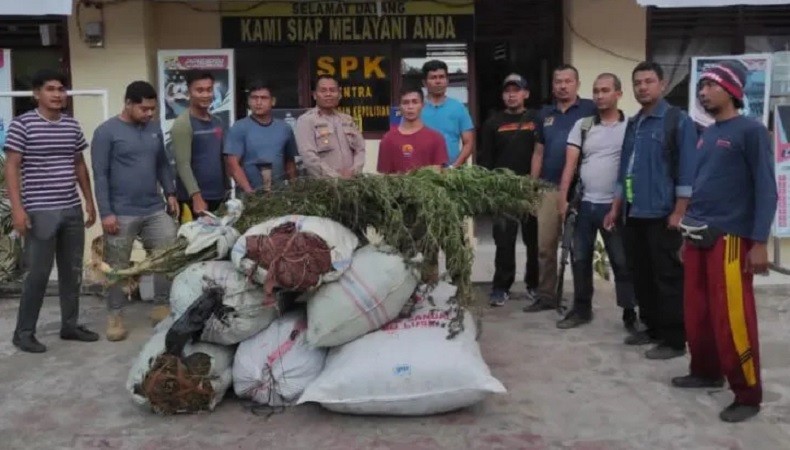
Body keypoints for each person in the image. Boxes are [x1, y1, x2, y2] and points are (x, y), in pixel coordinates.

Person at [671, 63, 777, 423]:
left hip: (731, 238)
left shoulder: (751, 131)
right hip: (699, 235)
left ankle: (747, 393)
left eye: (710, 86)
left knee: (733, 316)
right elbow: (701, 187)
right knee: (697, 313)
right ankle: (705, 370)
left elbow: (766, 187)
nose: (702, 93)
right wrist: (687, 234)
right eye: (700, 87)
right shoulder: (707, 134)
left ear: (731, 90)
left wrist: (759, 241)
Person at [605, 61, 699, 360]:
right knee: (641, 274)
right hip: (633, 213)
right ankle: (653, 327)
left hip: (662, 214)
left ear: (661, 84)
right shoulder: (634, 123)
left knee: (668, 277)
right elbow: (625, 168)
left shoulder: (677, 120)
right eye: (638, 83)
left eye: (648, 81)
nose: (642, 87)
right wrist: (616, 205)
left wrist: (679, 210)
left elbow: (687, 169)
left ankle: (673, 339)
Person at [4, 69, 98, 353]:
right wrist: (18, 210)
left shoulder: (71, 125)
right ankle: (23, 332)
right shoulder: (23, 125)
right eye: (50, 89)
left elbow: (79, 164)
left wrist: (89, 201)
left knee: (72, 271)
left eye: (61, 89)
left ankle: (69, 325)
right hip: (39, 210)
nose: (58, 94)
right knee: (38, 274)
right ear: (36, 94)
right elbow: (12, 166)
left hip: (70, 207)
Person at [91, 81, 179, 342]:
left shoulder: (153, 129)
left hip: (153, 208)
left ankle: (162, 307)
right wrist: (106, 212)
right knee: (117, 266)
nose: (149, 114)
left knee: (166, 255)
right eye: (144, 108)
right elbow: (100, 176)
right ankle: (115, 315)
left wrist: (170, 192)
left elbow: (162, 163)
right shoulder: (106, 132)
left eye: (153, 109)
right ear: (128, 103)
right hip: (120, 212)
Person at [555, 73, 637, 330]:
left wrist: (624, 202)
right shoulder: (583, 125)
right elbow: (570, 165)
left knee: (621, 261)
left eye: (605, 90)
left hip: (614, 207)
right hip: (584, 205)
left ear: (618, 94)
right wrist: (562, 199)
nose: (600, 96)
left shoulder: (631, 127)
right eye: (596, 91)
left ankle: (629, 313)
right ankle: (581, 309)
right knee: (579, 259)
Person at [525, 64, 596, 313]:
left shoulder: (590, 109)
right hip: (548, 187)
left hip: (581, 190)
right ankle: (546, 296)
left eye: (568, 81)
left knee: (578, 248)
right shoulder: (544, 113)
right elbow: (538, 152)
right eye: (558, 82)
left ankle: (581, 301)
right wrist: (532, 186)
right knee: (545, 247)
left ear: (577, 83)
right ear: (553, 85)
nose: (563, 86)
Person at [478, 73, 540, 307]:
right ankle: (501, 287)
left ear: (526, 94)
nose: (512, 95)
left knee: (534, 241)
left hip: (532, 189)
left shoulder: (537, 119)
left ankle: (534, 285)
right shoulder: (493, 122)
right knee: (504, 242)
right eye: (507, 91)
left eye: (517, 90)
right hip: (503, 190)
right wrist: (489, 190)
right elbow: (486, 159)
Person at [171, 71, 227, 223]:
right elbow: (183, 165)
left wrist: (227, 189)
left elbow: (221, 158)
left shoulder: (217, 121)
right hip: (194, 200)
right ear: (189, 92)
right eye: (199, 90)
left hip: (218, 196)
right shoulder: (182, 124)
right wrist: (196, 196)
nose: (205, 95)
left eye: (209, 90)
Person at [225, 80, 298, 194]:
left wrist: (294, 190)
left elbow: (290, 162)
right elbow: (233, 165)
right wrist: (248, 191)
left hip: (280, 196)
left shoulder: (285, 128)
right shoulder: (239, 128)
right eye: (254, 98)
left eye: (264, 98)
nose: (258, 102)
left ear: (273, 101)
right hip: (250, 197)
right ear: (249, 101)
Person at [295, 75, 365, 178]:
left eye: (332, 90)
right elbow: (308, 156)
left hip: (351, 184)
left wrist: (354, 172)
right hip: (323, 187)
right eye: (323, 91)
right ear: (314, 95)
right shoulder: (306, 121)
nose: (328, 94)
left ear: (339, 94)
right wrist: (335, 178)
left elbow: (360, 149)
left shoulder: (347, 120)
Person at [377, 85, 447, 174]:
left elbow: (439, 171)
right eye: (405, 103)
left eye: (415, 102)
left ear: (422, 105)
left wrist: (413, 175)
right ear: (400, 106)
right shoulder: (388, 139)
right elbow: (384, 177)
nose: (410, 107)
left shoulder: (436, 138)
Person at [420, 59, 475, 168]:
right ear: (425, 82)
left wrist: (454, 167)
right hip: (421, 174)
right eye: (433, 77)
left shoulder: (459, 108)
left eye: (441, 77)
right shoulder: (416, 109)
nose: (438, 81)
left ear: (447, 80)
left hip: (451, 173)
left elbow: (468, 143)